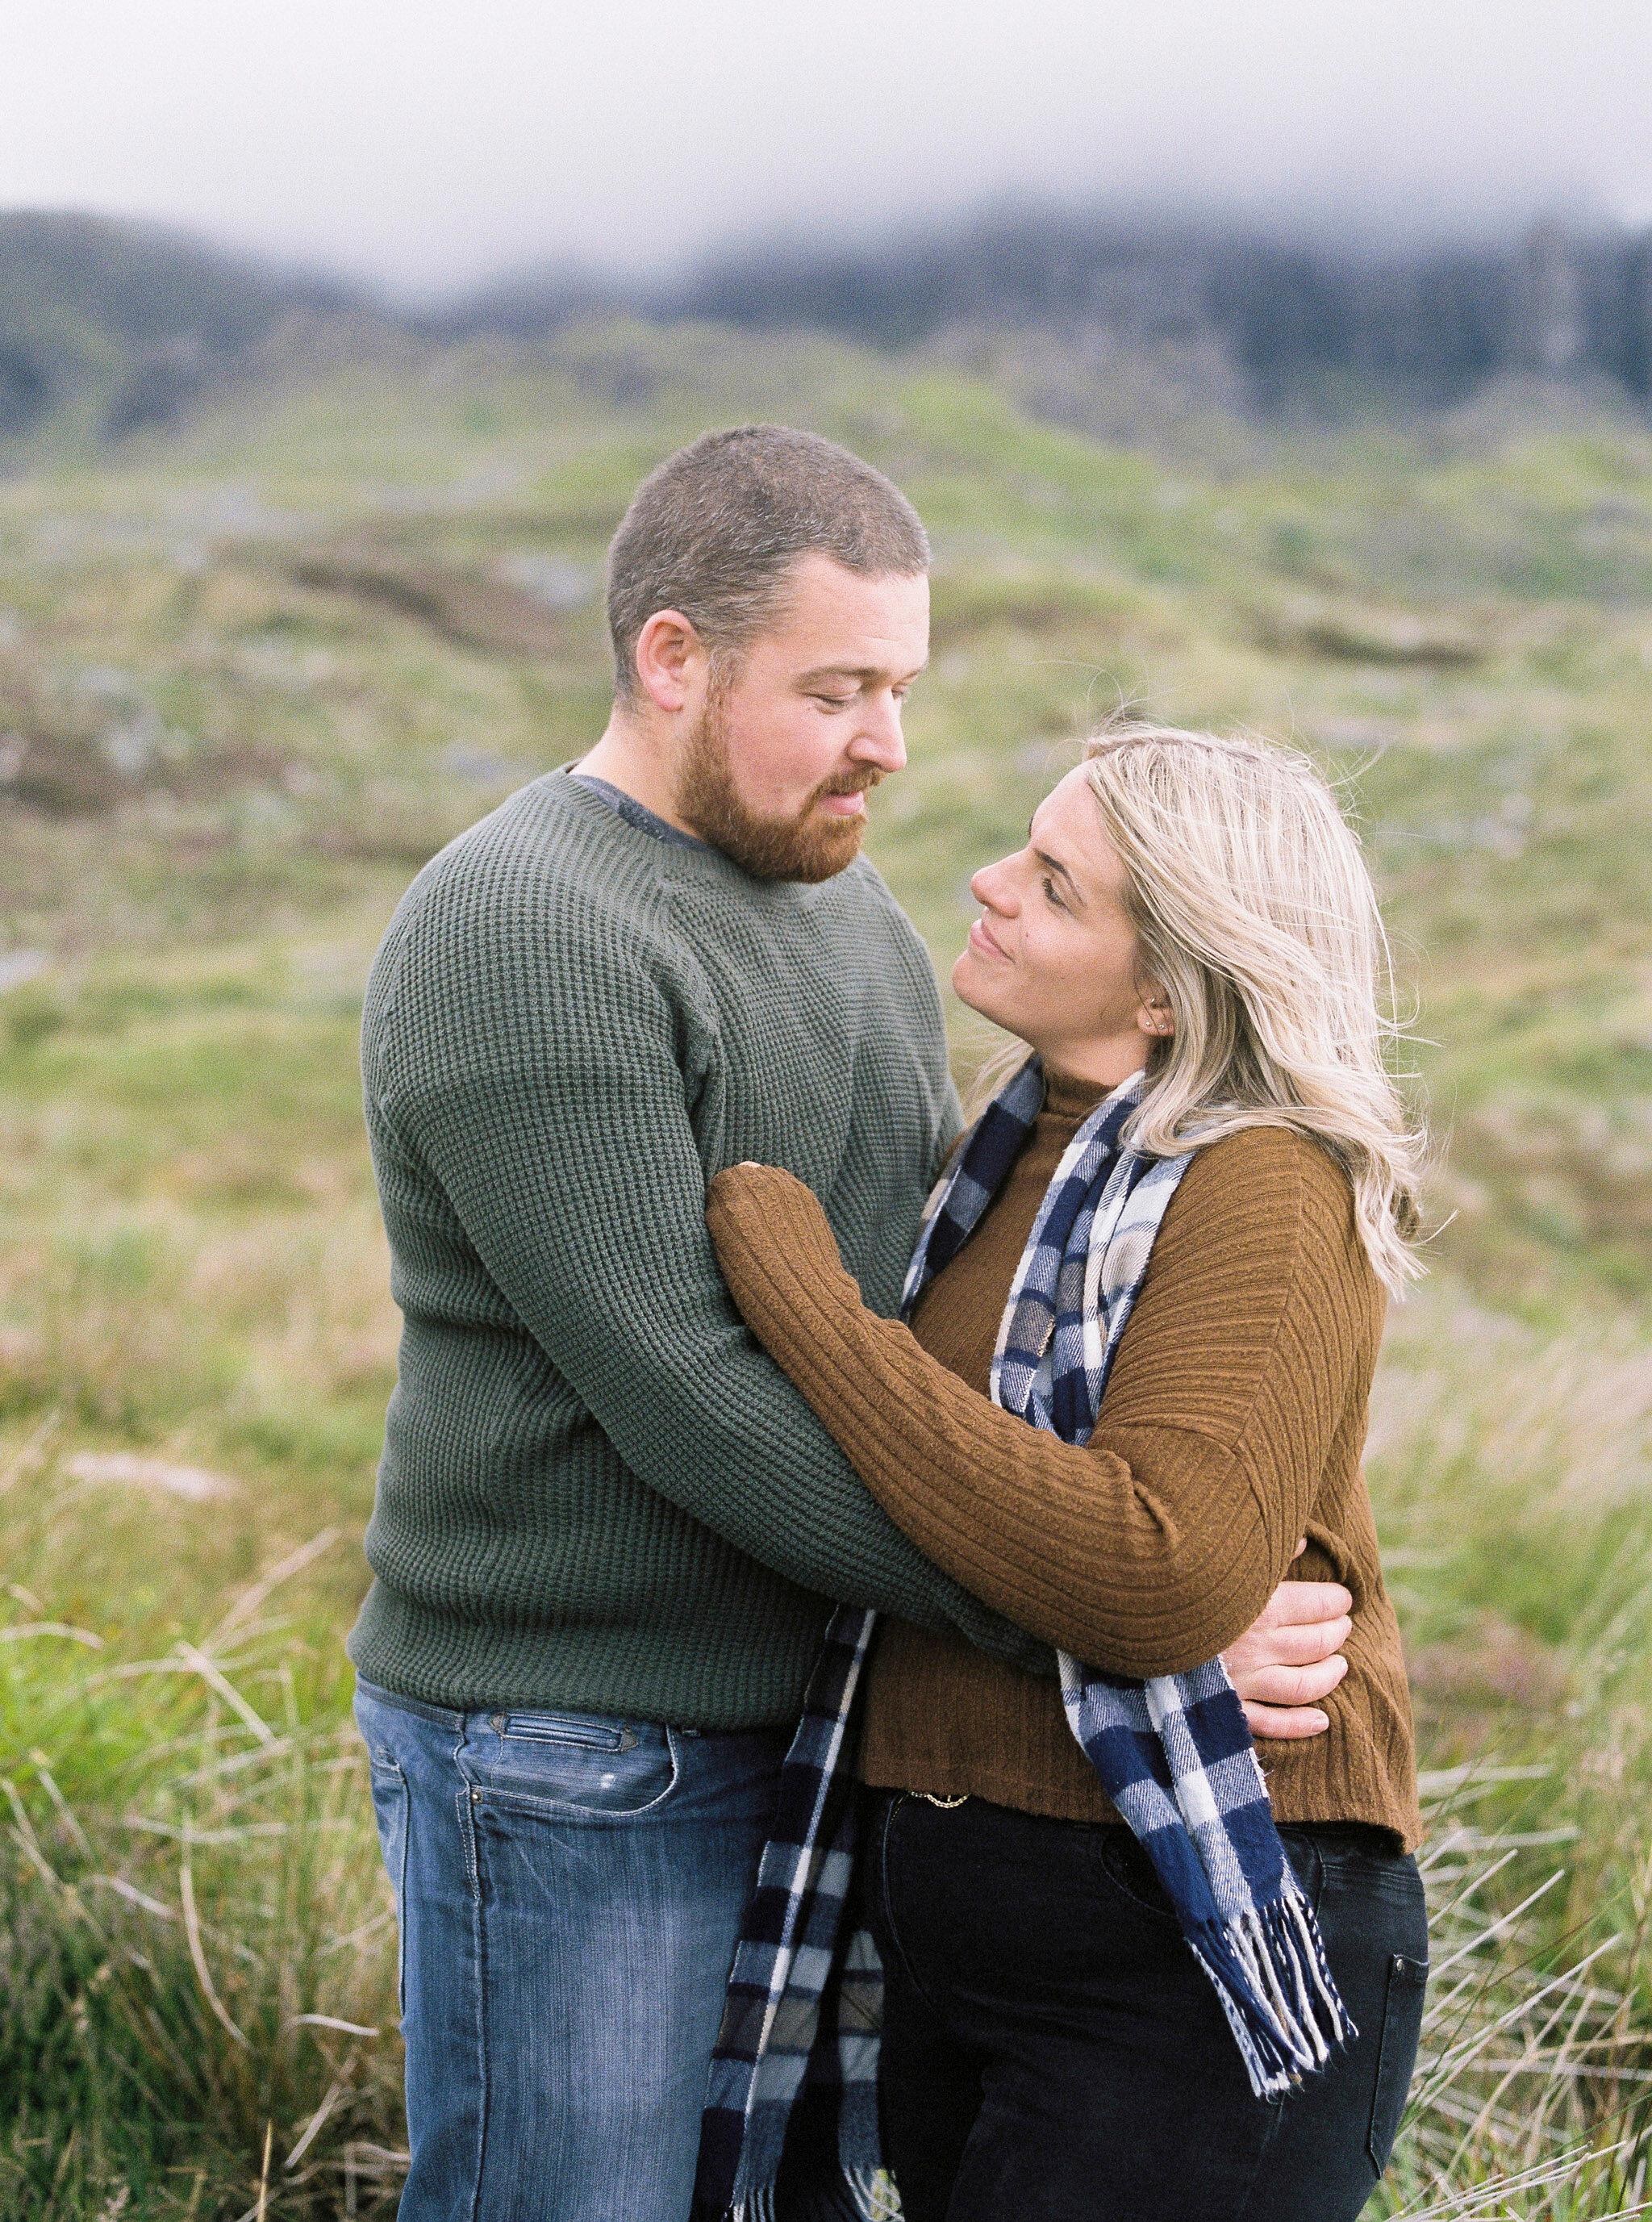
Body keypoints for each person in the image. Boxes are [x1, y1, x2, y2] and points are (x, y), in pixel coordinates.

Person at [348, 429, 1356, 2222]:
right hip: (578, 1742)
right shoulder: (521, 928)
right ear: (674, 659)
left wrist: (1133, 1573)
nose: (887, 742)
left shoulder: (856, 917)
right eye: (834, 689)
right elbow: (696, 1402)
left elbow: (909, 1333)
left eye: (898, 686)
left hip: (830, 1739)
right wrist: (1108, 1619)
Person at [704, 721, 1428, 2222]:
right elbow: (983, 1523)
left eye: (1052, 884)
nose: (985, 883)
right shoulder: (1016, 1153)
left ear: (1169, 987)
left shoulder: (1266, 1181)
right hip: (977, 1935)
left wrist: (824, 1322)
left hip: (1174, 1958)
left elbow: (1155, 1568)